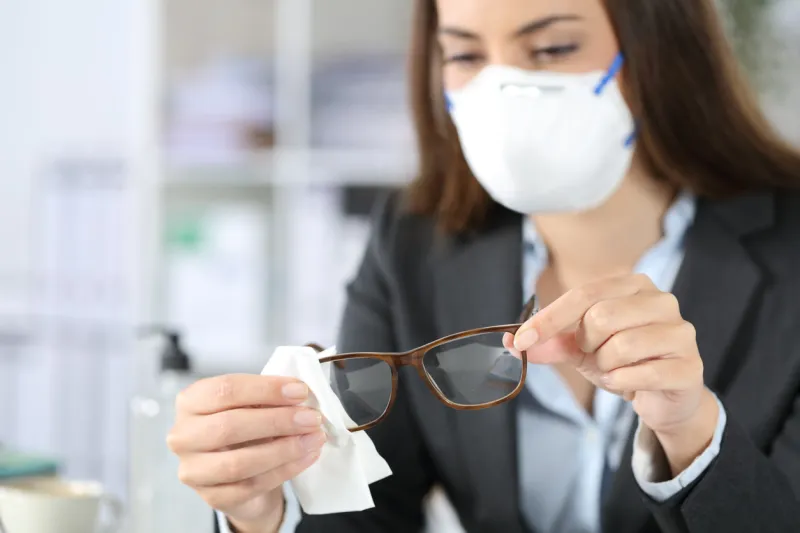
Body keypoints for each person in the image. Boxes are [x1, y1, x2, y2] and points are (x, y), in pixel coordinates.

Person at [167, 0, 800, 531]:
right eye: (467, 55)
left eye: (551, 49)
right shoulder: (414, 243)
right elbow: (365, 513)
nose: (504, 88)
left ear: (655, 50)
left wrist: (690, 433)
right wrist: (263, 506)